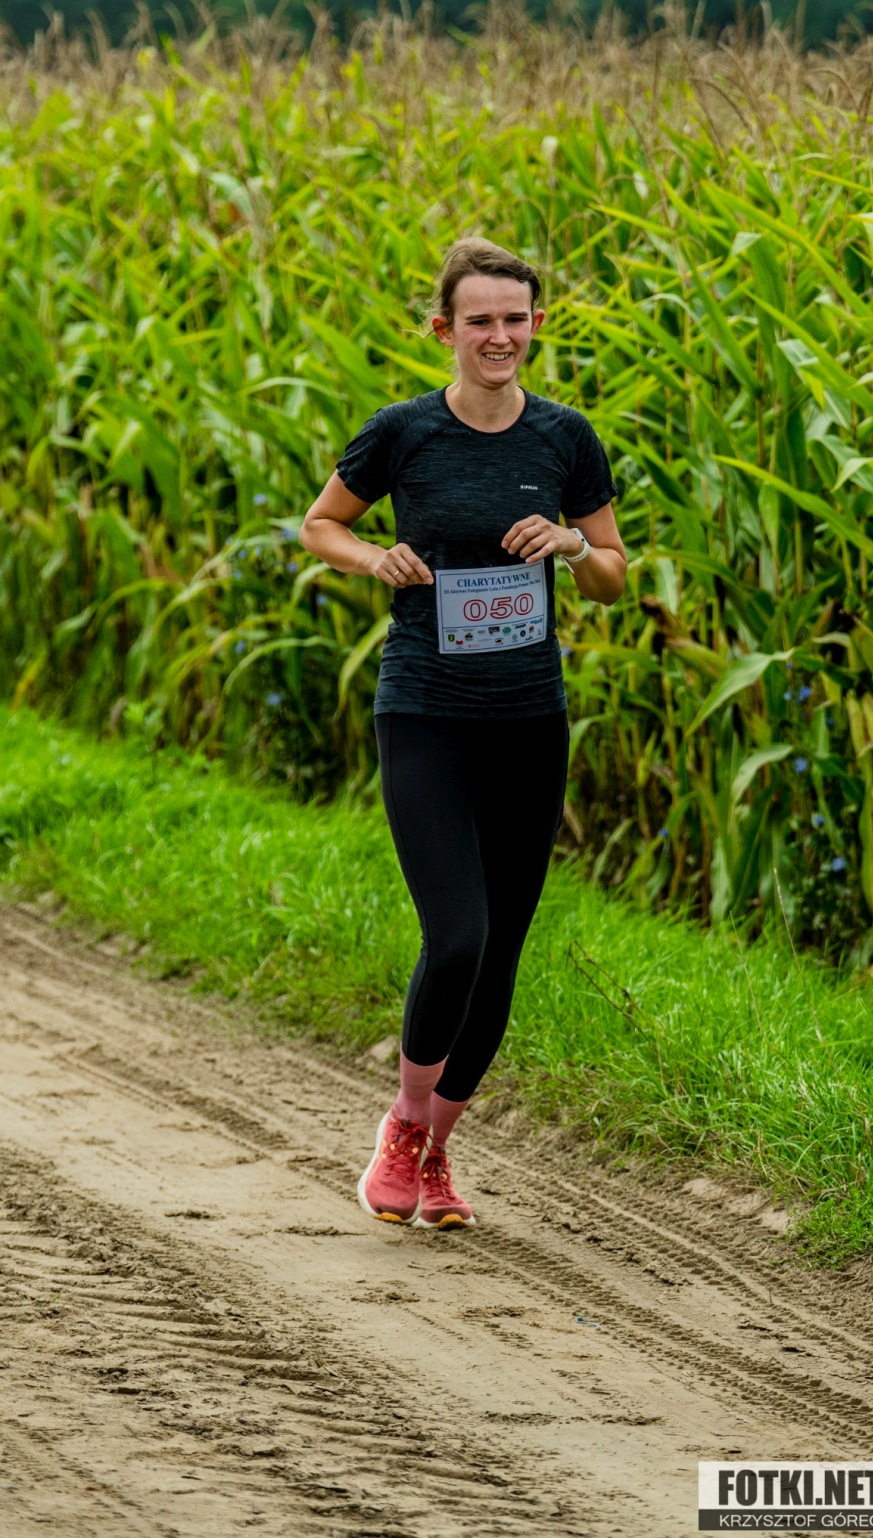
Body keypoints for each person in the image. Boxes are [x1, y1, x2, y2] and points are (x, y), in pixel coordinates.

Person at [300, 237, 626, 1229]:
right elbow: (321, 524)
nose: (499, 335)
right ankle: (403, 1126)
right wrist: (375, 558)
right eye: (479, 320)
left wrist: (572, 543)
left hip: (529, 720)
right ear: (443, 329)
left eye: (514, 318)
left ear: (536, 325)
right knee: (458, 936)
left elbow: (614, 572)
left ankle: (438, 1153)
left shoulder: (565, 439)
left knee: (502, 952)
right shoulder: (403, 432)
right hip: (425, 711)